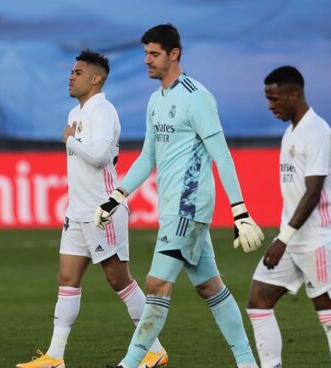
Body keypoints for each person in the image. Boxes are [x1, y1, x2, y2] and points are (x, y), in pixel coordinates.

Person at [96, 24, 264, 368]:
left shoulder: (196, 96)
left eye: (154, 54)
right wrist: (117, 195)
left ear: (174, 54)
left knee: (157, 284)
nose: (147, 60)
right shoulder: (155, 101)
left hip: (189, 206)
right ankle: (247, 362)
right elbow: (148, 157)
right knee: (210, 288)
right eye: (145, 53)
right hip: (173, 208)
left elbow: (222, 154)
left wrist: (240, 211)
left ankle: (129, 364)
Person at [15, 49, 168, 368]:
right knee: (67, 279)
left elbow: (98, 155)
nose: (71, 76)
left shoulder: (104, 110)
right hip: (77, 213)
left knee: (119, 281)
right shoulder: (75, 113)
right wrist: (71, 138)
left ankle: (153, 348)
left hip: (103, 212)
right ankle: (55, 356)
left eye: (78, 72)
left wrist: (70, 141)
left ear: (96, 78)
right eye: (71, 71)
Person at [246, 65, 331, 368]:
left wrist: (282, 238)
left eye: (275, 99)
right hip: (293, 240)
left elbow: (313, 192)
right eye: (268, 99)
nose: (271, 106)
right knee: (258, 302)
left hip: (318, 239)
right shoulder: (291, 131)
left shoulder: (317, 132)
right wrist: (285, 237)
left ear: (294, 94)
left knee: (330, 316)